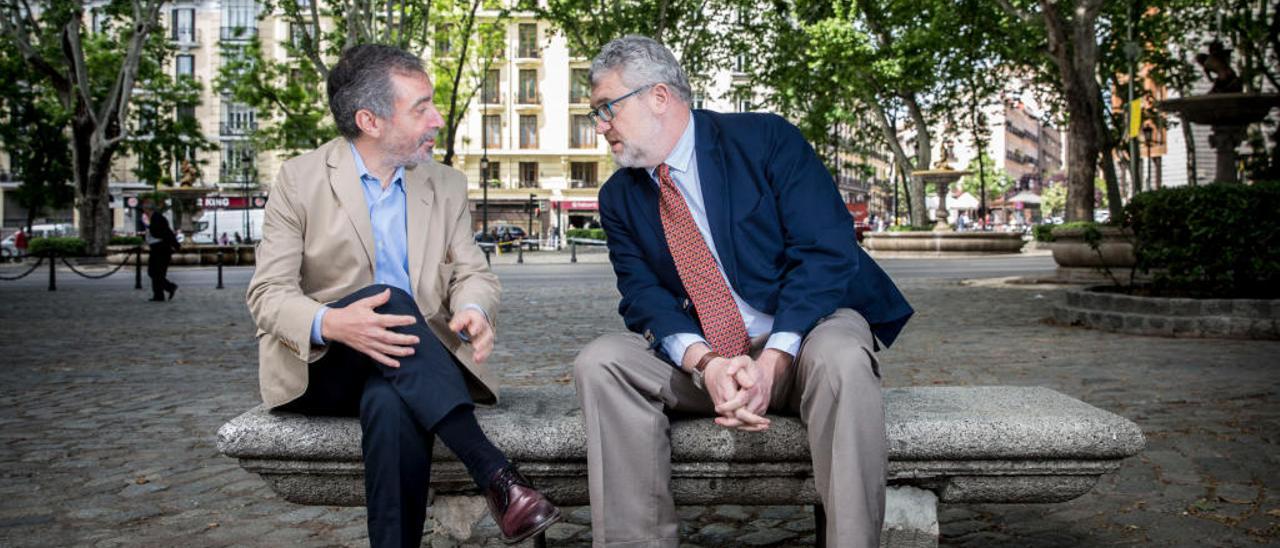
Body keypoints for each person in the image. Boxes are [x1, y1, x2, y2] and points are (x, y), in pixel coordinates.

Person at [572, 36, 914, 547]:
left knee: (845, 354)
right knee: (600, 362)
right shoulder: (618, 196)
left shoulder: (765, 139)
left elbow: (826, 250)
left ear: (658, 97)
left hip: (802, 340)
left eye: (607, 109)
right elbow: (642, 296)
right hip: (707, 362)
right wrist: (706, 364)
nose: (600, 127)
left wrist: (776, 357)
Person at [245, 44, 559, 547]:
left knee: (390, 403)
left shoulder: (446, 184)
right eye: (421, 108)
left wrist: (474, 309)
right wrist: (333, 321)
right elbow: (267, 294)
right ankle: (495, 473)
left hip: (414, 369)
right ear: (370, 120)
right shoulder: (299, 180)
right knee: (388, 298)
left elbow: (473, 274)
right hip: (326, 366)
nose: (437, 118)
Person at [144, 204, 180, 302]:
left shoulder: (157, 218)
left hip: (160, 249)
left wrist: (149, 229)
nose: (144, 212)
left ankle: (169, 287)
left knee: (154, 272)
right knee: (156, 273)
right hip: (159, 249)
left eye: (145, 210)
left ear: (148, 210)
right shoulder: (156, 218)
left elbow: (162, 233)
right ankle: (159, 295)